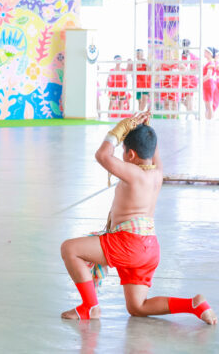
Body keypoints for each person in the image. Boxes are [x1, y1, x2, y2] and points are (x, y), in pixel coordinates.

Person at [60, 112, 216, 324]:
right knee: (137, 307)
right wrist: (147, 130)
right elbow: (152, 149)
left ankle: (90, 307)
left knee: (70, 249)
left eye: (123, 150)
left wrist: (119, 130)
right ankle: (193, 305)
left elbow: (103, 156)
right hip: (149, 248)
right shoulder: (157, 173)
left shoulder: (134, 174)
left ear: (131, 154)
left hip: (129, 244)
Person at [180, 40, 198, 116]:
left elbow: (198, 67)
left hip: (190, 81)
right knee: (180, 99)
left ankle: (190, 116)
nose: (185, 46)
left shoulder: (192, 56)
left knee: (189, 99)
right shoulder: (180, 56)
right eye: (184, 45)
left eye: (187, 45)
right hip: (181, 81)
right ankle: (193, 113)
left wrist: (190, 70)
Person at [203, 48, 219, 120]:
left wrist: (200, 81)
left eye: (205, 52)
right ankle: (208, 120)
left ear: (210, 54)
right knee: (208, 105)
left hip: (208, 84)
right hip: (207, 84)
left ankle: (209, 121)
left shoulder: (211, 63)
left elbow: (208, 75)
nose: (204, 53)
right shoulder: (210, 63)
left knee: (209, 105)